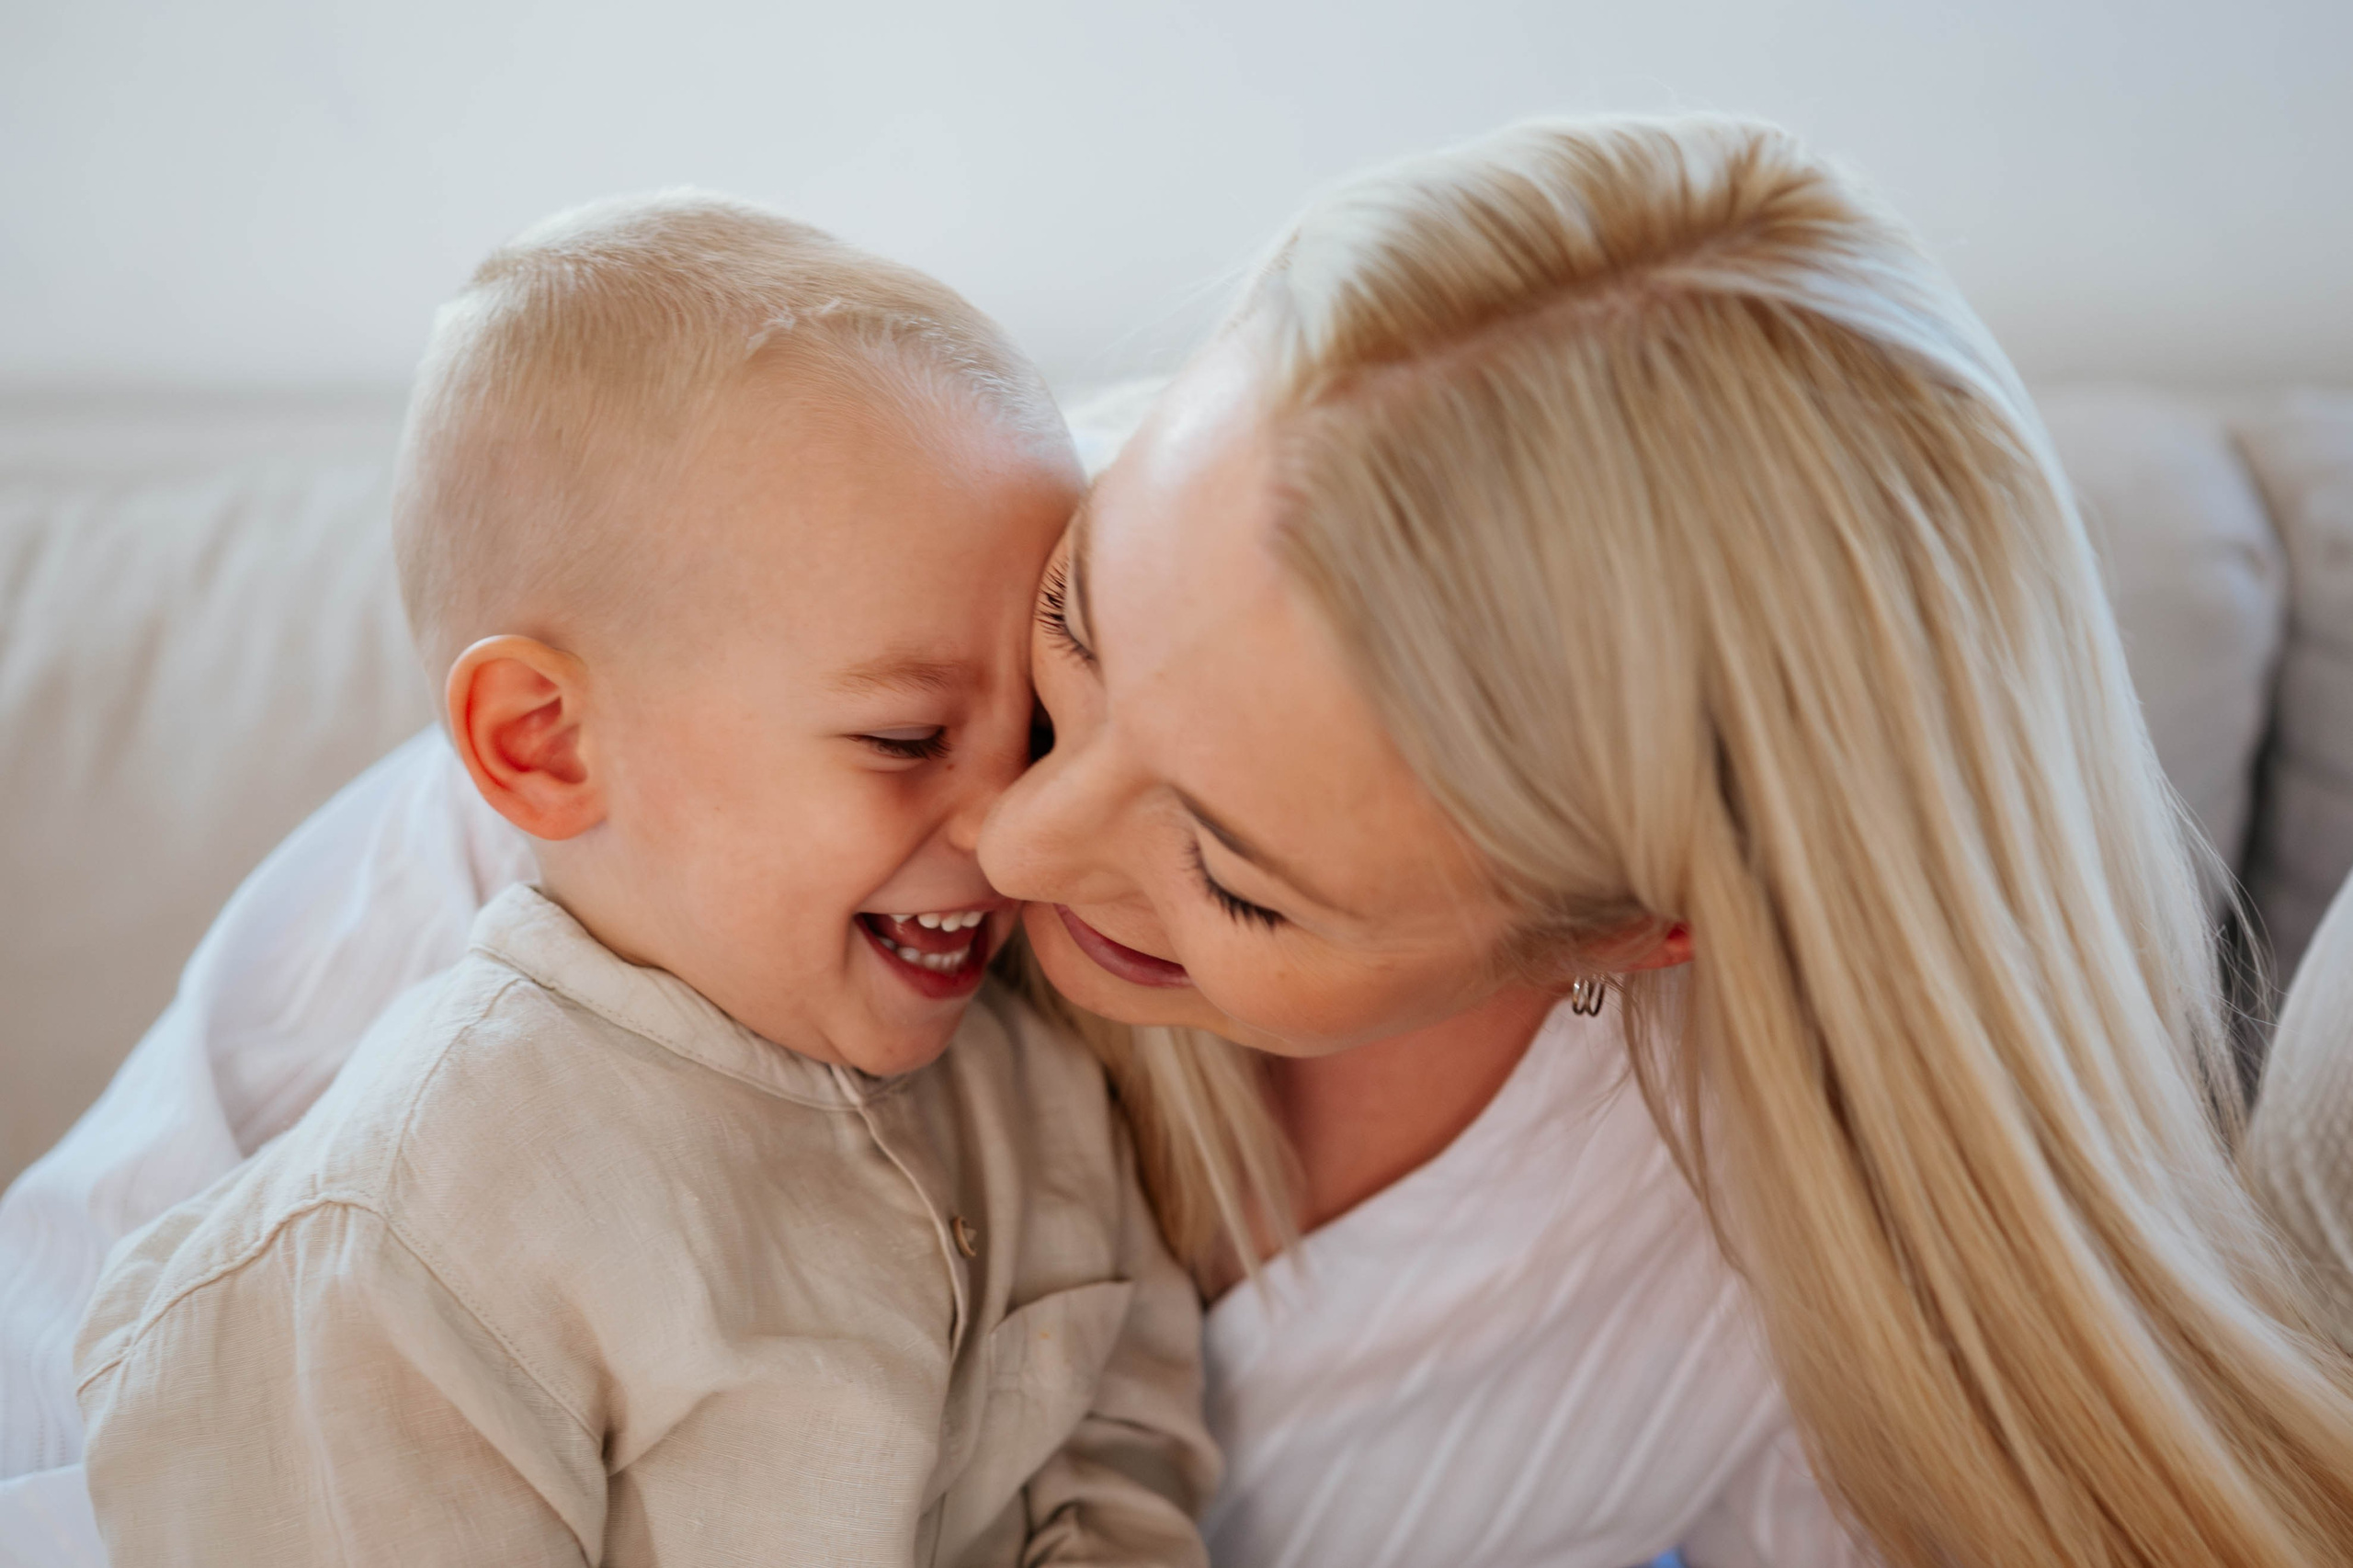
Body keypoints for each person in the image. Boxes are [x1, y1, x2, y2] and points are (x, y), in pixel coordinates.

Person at [9, 114, 2351, 1568]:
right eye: (1078, 631)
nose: (1017, 835)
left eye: (1237, 875)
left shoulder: (1770, 1268)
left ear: (1630, 925)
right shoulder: (669, 790)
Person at [67, 193, 1215, 1568]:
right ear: (543, 744)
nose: (1009, 822)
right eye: (906, 738)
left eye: (1029, 728)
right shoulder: (424, 1218)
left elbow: (1118, 1457)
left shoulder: (1041, 1091)